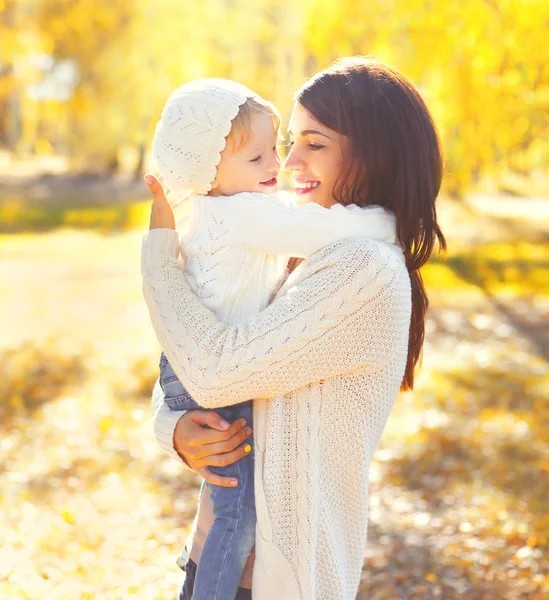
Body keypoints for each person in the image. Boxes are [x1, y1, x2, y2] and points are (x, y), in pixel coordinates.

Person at [143, 57, 446, 600]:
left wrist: (159, 262)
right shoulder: (297, 251)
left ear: (371, 154)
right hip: (219, 558)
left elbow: (213, 369)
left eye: (316, 143)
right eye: (290, 141)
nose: (288, 161)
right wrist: (174, 429)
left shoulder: (363, 269)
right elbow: (196, 353)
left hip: (280, 580)